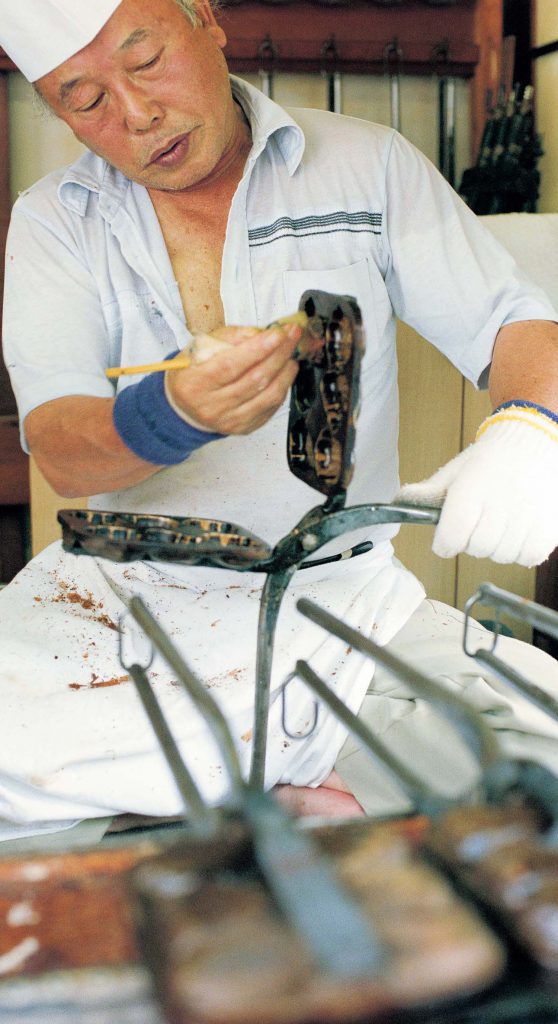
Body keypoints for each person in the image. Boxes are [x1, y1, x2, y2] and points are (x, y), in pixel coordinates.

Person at [1, 0, 558, 835]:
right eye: (85, 99)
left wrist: (530, 430)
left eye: (146, 59)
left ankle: (247, 800)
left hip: (339, 601)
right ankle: (299, 801)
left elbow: (514, 323)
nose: (137, 113)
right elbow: (62, 448)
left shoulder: (366, 166)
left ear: (205, 17)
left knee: (542, 762)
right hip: (120, 602)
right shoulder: (56, 220)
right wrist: (169, 415)